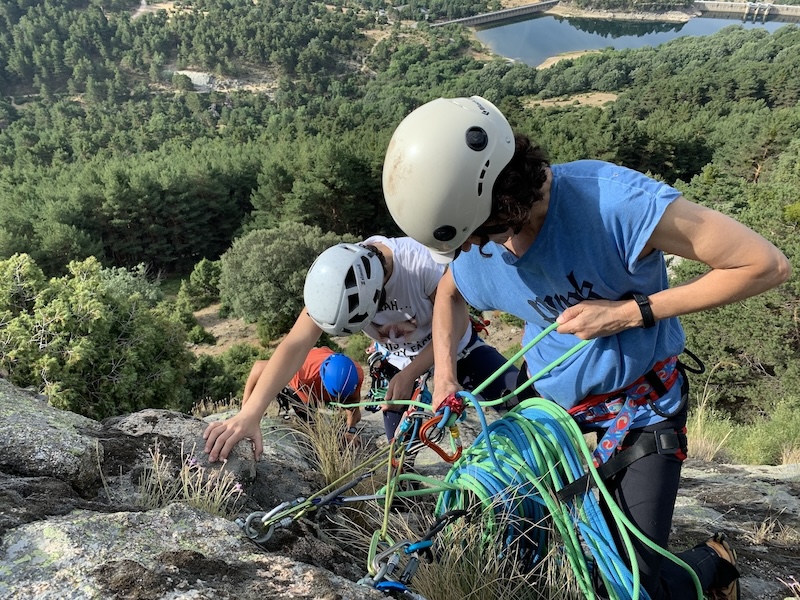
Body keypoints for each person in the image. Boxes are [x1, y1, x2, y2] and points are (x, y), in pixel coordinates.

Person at [381, 96, 791, 600]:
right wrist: (443, 376)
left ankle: (714, 563)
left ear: (501, 197)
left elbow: (764, 265)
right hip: (553, 415)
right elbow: (449, 293)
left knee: (632, 586)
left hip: (641, 405)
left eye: (471, 232)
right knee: (513, 544)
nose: (467, 249)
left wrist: (630, 312)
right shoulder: (483, 247)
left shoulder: (612, 204)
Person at [203, 238, 518, 463]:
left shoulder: (421, 264)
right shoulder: (338, 281)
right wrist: (250, 413)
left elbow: (458, 322)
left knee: (523, 400)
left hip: (455, 349)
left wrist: (412, 372)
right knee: (399, 448)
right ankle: (400, 500)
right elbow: (295, 345)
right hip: (398, 362)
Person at [242, 347, 364, 435]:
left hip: (322, 375)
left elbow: (353, 404)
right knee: (311, 428)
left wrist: (351, 431)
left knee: (356, 417)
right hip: (303, 389)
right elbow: (258, 367)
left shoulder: (356, 373)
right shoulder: (302, 374)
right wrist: (245, 412)